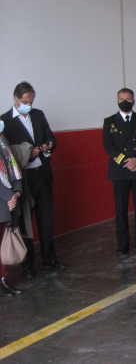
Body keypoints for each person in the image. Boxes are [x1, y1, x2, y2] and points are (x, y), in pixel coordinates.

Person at [1, 82, 66, 277]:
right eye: (24, 102)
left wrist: (48, 146)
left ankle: (49, 259)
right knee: (25, 222)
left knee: (46, 219)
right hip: (23, 179)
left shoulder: (38, 115)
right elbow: (7, 153)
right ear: (15, 99)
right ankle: (27, 265)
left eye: (31, 102)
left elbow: (50, 137)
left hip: (42, 174)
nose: (28, 105)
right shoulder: (5, 121)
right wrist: (28, 153)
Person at [103, 88, 136, 256]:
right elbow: (109, 147)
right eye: (122, 99)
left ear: (134, 101)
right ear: (117, 101)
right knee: (121, 209)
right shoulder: (109, 121)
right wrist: (127, 162)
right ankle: (123, 245)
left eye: (128, 99)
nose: (125, 101)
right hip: (120, 171)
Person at [0, 126, 25, 295]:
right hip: (4, 199)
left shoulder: (4, 143)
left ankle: (3, 278)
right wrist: (9, 196)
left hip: (8, 201)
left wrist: (16, 192)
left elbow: (14, 168)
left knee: (3, 243)